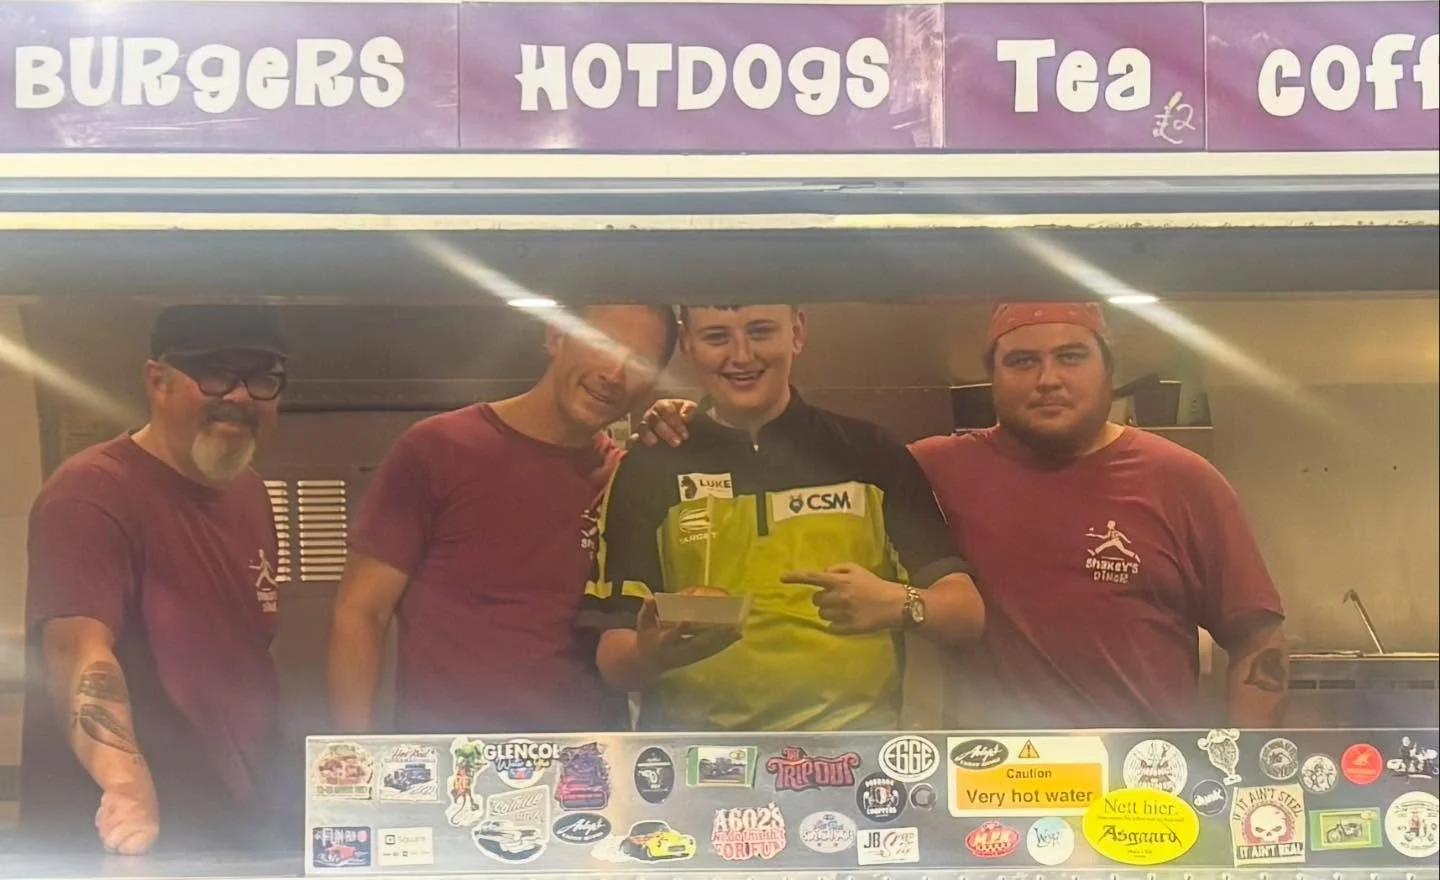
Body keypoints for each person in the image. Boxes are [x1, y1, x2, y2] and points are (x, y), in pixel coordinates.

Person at [580, 304, 984, 732]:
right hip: (699, 764)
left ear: (797, 331)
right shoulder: (650, 464)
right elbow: (613, 655)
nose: (740, 356)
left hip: (852, 760)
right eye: (717, 336)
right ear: (688, 345)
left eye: (760, 331)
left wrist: (899, 604)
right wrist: (652, 654)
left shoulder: (872, 453)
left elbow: (967, 614)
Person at [910, 301, 1288, 728]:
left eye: (1071, 357)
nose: (1048, 379)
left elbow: (1257, 640)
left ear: (1109, 370)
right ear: (991, 376)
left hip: (1145, 783)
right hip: (991, 782)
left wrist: (1251, 765)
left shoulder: (1182, 480)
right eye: (1022, 361)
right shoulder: (928, 471)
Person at [327, 304, 677, 736]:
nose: (615, 374)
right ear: (555, 336)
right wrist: (351, 764)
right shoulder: (438, 450)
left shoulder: (627, 480)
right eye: (602, 344)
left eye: (639, 361)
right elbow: (362, 611)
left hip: (587, 775)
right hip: (453, 772)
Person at [21, 305, 290, 857]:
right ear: (158, 381)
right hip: (125, 839)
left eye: (263, 378)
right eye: (215, 373)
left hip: (230, 830)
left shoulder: (252, 493)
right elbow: (78, 654)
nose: (240, 397)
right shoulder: (91, 493)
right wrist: (124, 785)